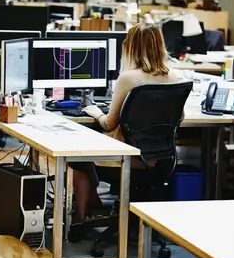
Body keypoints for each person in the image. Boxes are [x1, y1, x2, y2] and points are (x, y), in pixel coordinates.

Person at [71, 22, 183, 225]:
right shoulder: (173, 77)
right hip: (161, 162)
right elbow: (180, 117)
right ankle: (94, 201)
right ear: (160, 46)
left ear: (130, 47)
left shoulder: (128, 78)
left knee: (76, 156)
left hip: (129, 161)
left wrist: (96, 113)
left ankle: (80, 220)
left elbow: (109, 124)